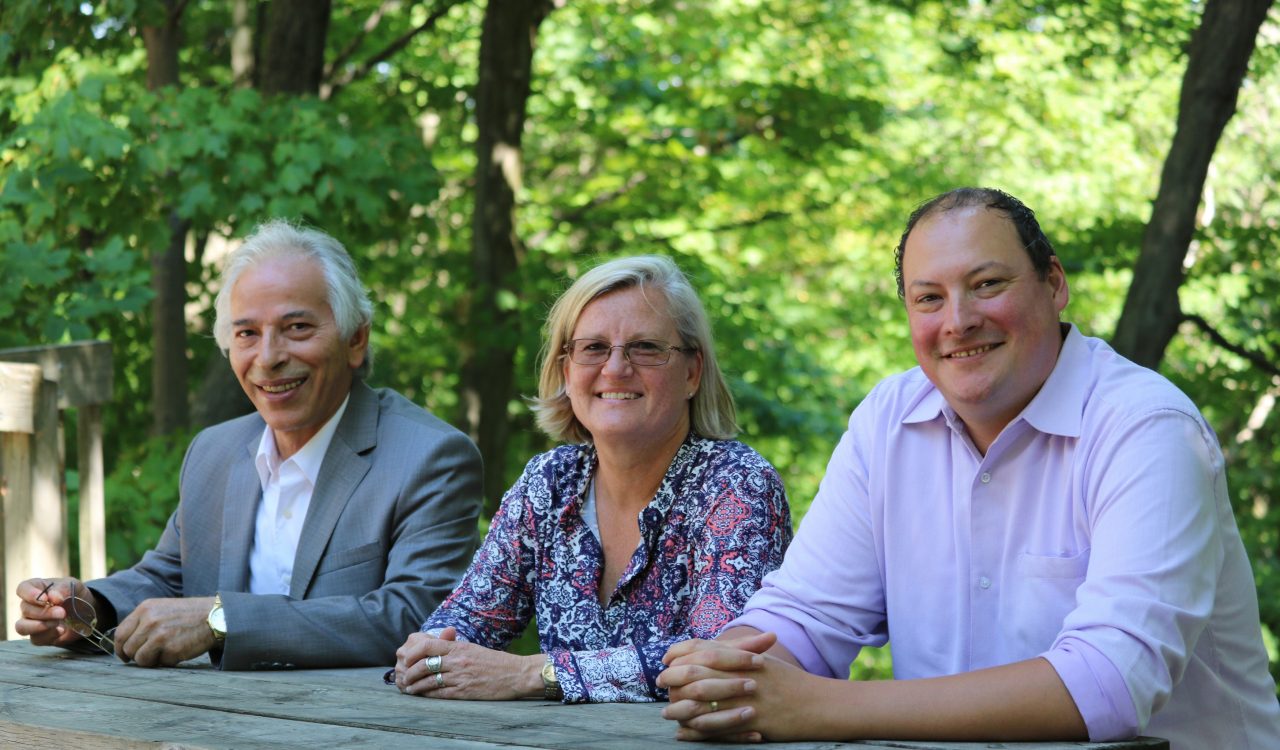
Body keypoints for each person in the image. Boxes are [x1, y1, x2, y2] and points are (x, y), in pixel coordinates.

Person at [657, 188, 1280, 747]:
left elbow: (1112, 684)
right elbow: (808, 616)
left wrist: (822, 707)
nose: (958, 321)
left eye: (986, 285)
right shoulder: (889, 420)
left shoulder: (1146, 427)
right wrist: (728, 668)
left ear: (1054, 284)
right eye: (929, 298)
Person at [15, 219, 483, 670]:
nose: (269, 358)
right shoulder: (213, 452)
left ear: (355, 338)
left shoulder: (431, 457)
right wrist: (88, 607)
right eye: (247, 334)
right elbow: (169, 578)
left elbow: (415, 618)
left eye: (297, 328)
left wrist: (221, 621)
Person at [390, 255, 792, 703]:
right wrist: (429, 653)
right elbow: (466, 619)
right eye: (593, 348)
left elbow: (720, 657)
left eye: (645, 347)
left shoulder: (735, 484)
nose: (616, 368)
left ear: (692, 373)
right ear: (567, 370)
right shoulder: (550, 481)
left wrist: (535, 674)